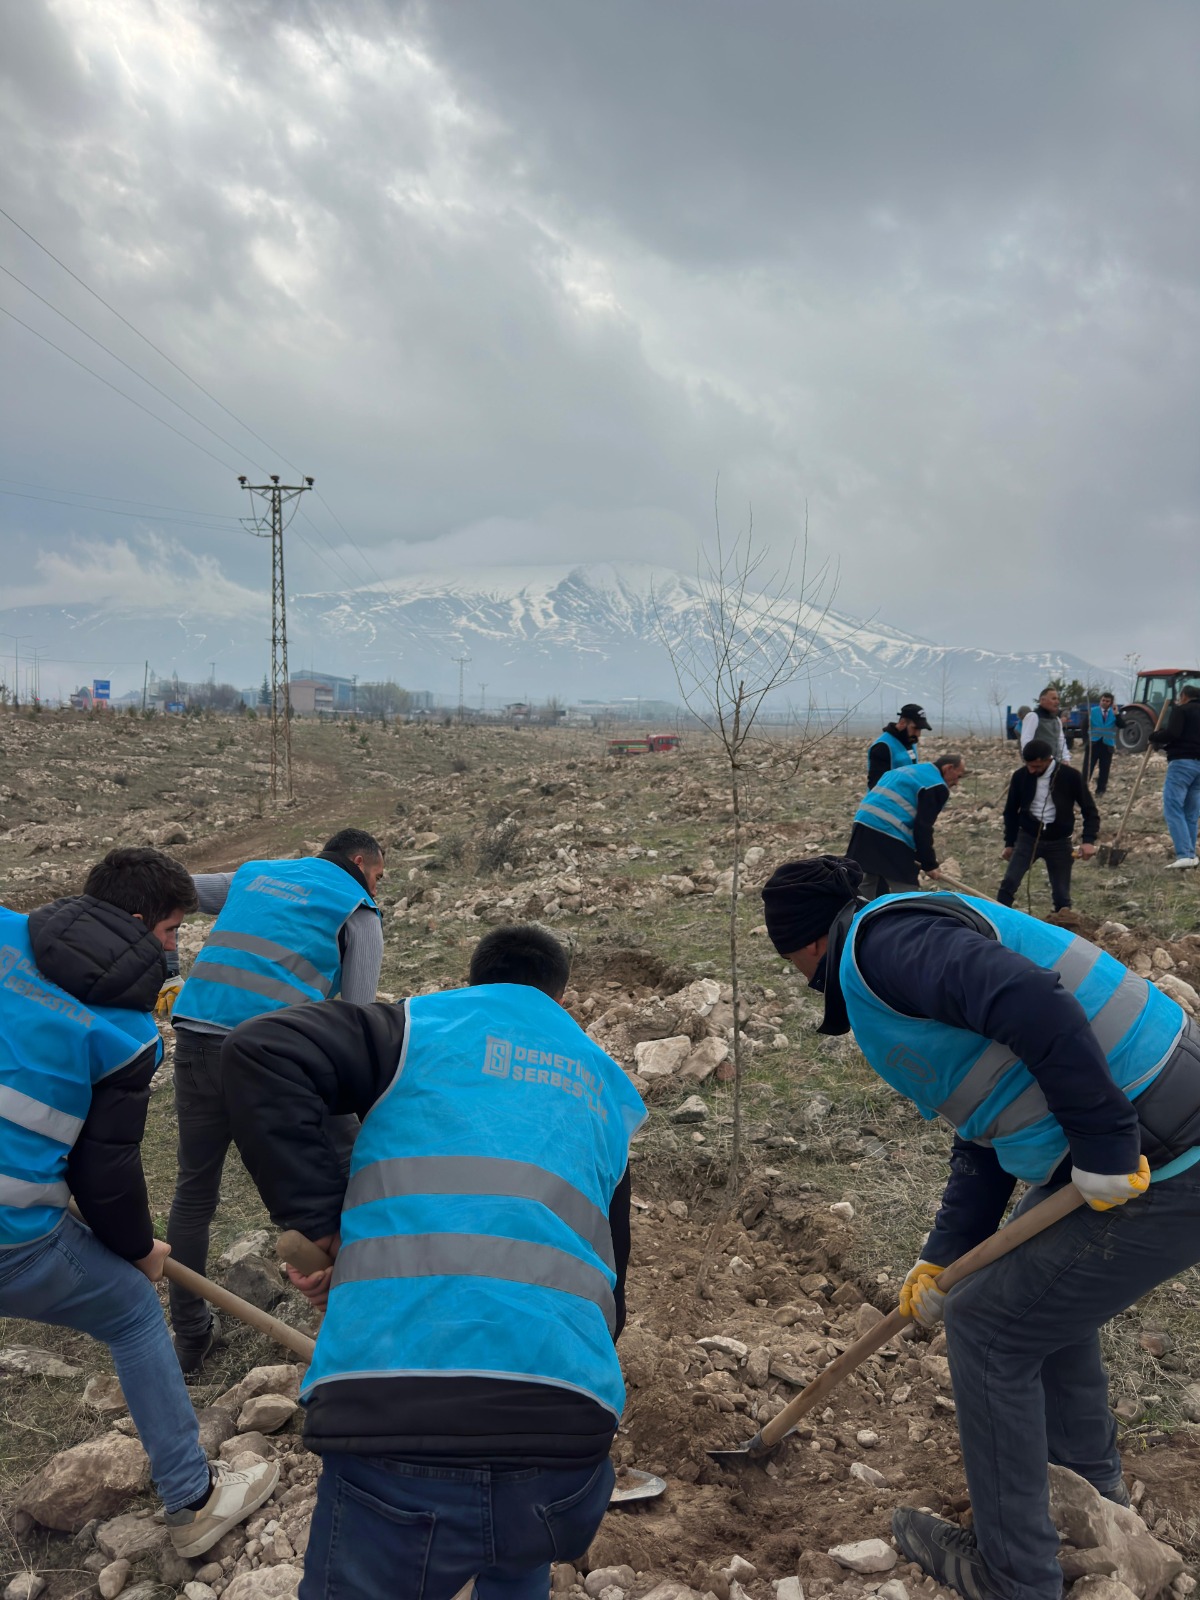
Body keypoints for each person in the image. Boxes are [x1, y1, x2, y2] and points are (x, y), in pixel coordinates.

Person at [759, 855, 1200, 1600]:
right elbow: (986, 1113)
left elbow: (1033, 1001)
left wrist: (1102, 1143)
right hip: (1149, 1126)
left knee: (990, 1327)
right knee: (1034, 1302)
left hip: (1163, 1147)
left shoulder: (881, 947)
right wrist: (943, 1256)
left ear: (802, 951)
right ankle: (1093, 1507)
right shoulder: (904, 940)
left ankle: (1015, 1575)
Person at [219, 923, 646, 1600]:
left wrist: (329, 1231)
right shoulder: (607, 1091)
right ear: (560, 997)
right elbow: (607, 1290)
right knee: (519, 1565)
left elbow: (261, 1050)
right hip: (568, 1442)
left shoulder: (420, 1027)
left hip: (401, 1429)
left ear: (475, 980)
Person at [0, 848, 278, 1556]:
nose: (175, 951)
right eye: (170, 932)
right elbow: (106, 1178)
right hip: (12, 1241)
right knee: (127, 1305)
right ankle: (194, 1498)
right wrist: (139, 1250)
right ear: (133, 921)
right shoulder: (124, 1036)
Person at [165, 827, 386, 1372]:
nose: (378, 889)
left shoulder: (255, 874)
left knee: (195, 1193)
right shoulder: (357, 908)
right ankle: (363, 1313)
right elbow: (354, 1017)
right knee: (357, 1167)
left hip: (196, 1036)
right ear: (361, 862)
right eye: (380, 877)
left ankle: (190, 1338)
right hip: (275, 1061)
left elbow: (175, 886)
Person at [997, 740, 1098, 913]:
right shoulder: (1020, 776)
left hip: (1059, 842)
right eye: (1028, 765)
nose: (1032, 770)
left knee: (1061, 896)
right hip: (1027, 838)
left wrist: (1088, 840)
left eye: (1036, 766)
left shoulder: (1070, 776)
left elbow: (1089, 810)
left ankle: (1061, 927)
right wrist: (1009, 842)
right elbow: (1011, 812)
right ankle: (996, 920)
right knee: (1009, 883)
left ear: (1048, 759)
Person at [846, 754, 966, 898]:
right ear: (948, 768)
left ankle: (856, 915)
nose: (957, 783)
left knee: (866, 879)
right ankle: (908, 916)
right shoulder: (936, 785)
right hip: (889, 831)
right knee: (906, 889)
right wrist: (929, 864)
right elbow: (923, 828)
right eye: (958, 776)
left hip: (862, 824)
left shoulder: (914, 770)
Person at [1149, 684, 1200, 870]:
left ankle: (1185, 854)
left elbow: (1173, 733)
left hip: (1182, 764)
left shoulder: (1182, 710)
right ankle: (1191, 855)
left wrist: (1155, 736)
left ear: (1184, 696)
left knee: (1173, 806)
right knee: (1191, 813)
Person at [866, 703, 931, 789]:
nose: (918, 734)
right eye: (915, 728)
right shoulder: (882, 746)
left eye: (919, 730)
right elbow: (876, 785)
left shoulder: (910, 742)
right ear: (902, 723)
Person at [1019, 687, 1071, 765]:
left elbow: (1061, 740)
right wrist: (1033, 761)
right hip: (1039, 764)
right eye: (1053, 699)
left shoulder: (1056, 720)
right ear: (1042, 700)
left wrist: (1066, 758)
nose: (1057, 702)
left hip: (1056, 764)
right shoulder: (1033, 716)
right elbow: (1026, 741)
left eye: (1057, 699)